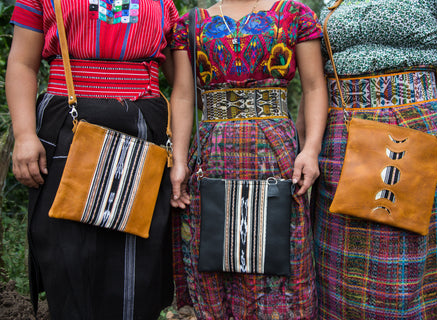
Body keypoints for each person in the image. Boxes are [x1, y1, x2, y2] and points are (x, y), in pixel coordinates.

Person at [302, 0, 437, 318]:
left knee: (405, 258)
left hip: (412, 136)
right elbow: (315, 81)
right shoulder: (334, 1)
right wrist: (305, 147)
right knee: (342, 263)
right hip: (342, 140)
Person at [6, 0, 178, 318]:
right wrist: (25, 134)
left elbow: (183, 79)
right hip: (68, 129)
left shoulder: (162, 3)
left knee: (137, 264)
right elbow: (22, 63)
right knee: (68, 257)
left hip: (144, 132)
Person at [168, 0, 328, 318]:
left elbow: (313, 86)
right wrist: (180, 160)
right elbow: (184, 94)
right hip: (214, 153)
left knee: (281, 248)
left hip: (275, 151)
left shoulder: (295, 13)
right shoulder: (190, 24)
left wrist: (311, 149)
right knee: (217, 250)